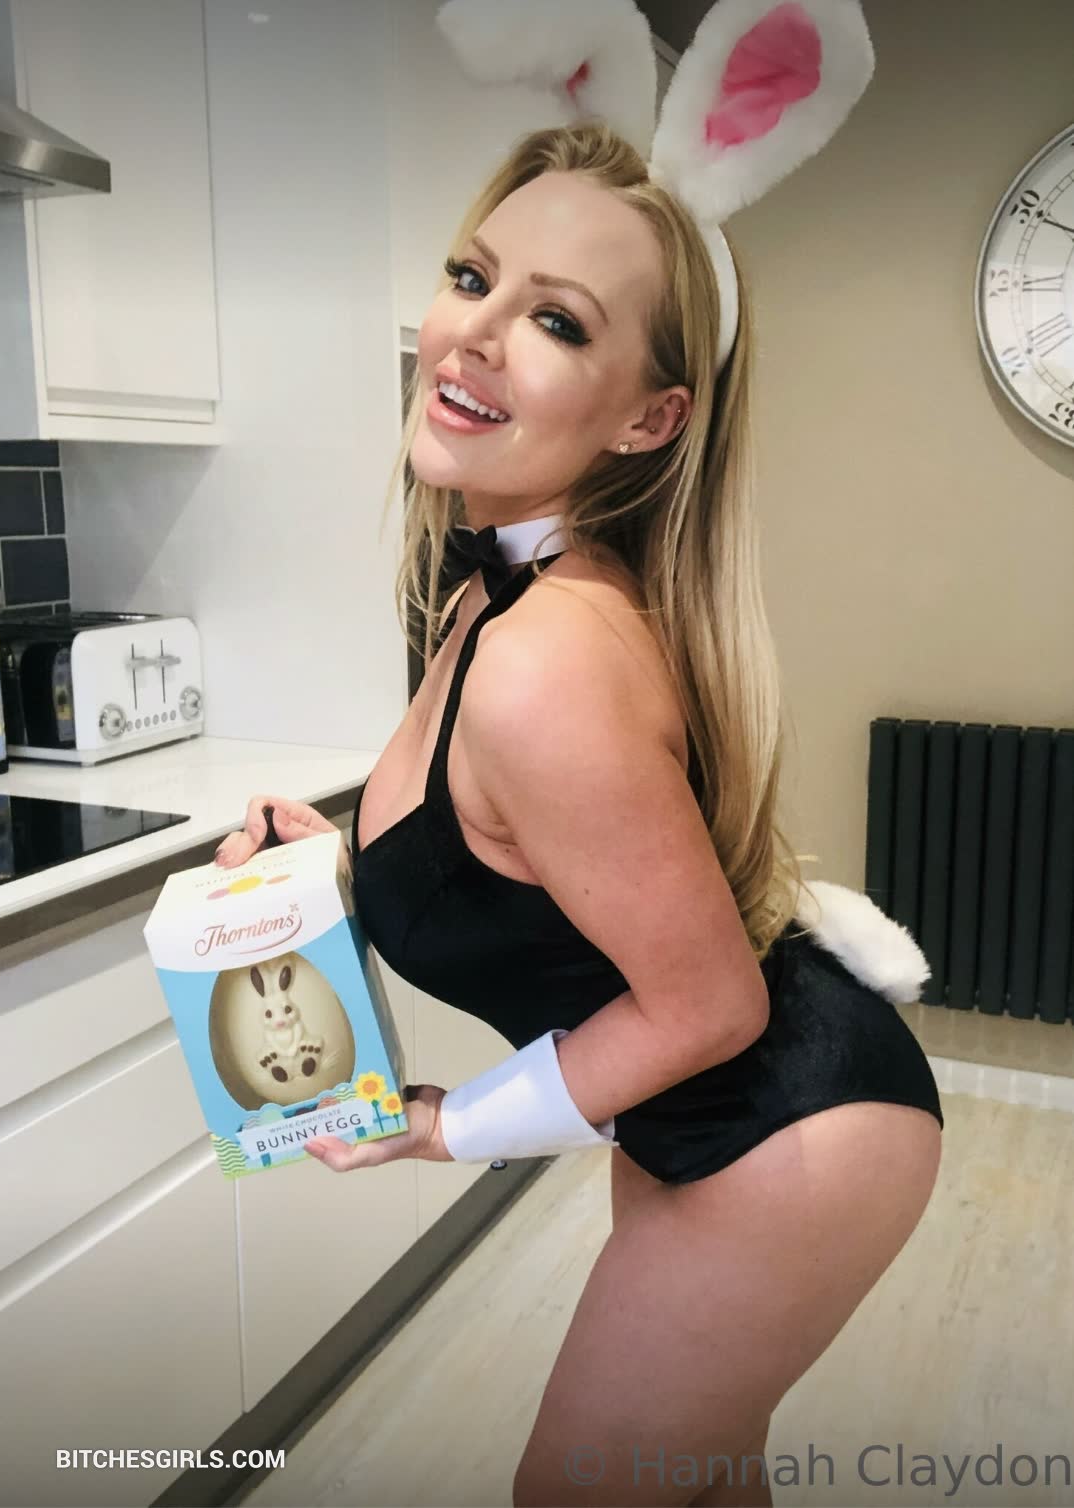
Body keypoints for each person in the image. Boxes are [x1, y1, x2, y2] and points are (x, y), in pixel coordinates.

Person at [214, 5, 944, 1504]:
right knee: (698, 1481)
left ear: (649, 419)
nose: (475, 332)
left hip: (788, 1127)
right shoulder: (495, 589)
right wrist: (337, 864)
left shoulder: (545, 652)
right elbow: (514, 849)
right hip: (724, 1115)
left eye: (557, 322)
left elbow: (706, 1003)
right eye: (471, 276)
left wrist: (444, 1130)